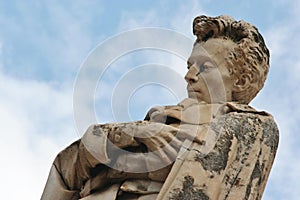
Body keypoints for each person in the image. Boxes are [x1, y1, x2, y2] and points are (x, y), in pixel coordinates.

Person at [42, 15, 278, 200]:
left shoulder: (252, 125)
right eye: (190, 66)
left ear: (241, 81)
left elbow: (191, 157)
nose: (189, 76)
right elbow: (71, 164)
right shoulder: (160, 119)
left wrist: (130, 138)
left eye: (204, 67)